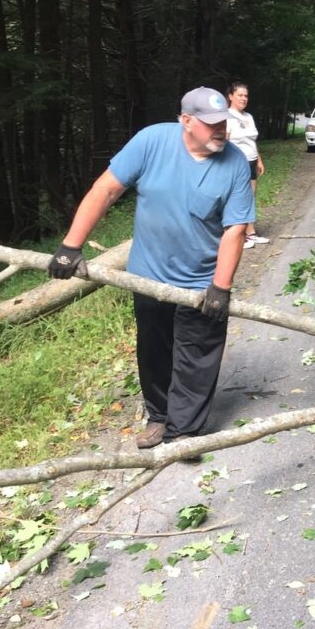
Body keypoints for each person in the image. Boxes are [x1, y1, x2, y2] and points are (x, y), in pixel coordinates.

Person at [48, 87, 255, 449]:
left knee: (197, 356)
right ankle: (159, 417)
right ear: (186, 121)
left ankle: (184, 432)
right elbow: (106, 190)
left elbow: (235, 230)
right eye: (211, 124)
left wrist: (220, 287)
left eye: (223, 122)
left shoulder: (235, 162)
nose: (221, 130)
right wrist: (71, 246)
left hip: (200, 279)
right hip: (149, 274)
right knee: (154, 350)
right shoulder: (151, 142)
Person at [227, 81, 268, 249]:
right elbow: (224, 142)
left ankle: (251, 233)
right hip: (237, 163)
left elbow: (252, 141)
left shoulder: (248, 117)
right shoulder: (227, 117)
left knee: (250, 197)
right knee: (239, 199)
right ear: (231, 96)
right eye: (240, 95)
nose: (244, 98)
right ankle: (239, 236)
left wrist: (259, 159)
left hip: (251, 161)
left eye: (246, 96)